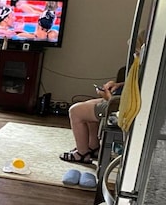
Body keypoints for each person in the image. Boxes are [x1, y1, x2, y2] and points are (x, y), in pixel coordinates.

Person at [59, 31, 145, 165]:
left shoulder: (148, 66)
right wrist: (118, 85)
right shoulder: (144, 65)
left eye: (137, 52)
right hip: (121, 99)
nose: (135, 55)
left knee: (75, 111)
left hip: (120, 105)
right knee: (87, 105)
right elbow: (135, 84)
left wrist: (107, 97)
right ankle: (93, 147)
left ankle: (82, 154)